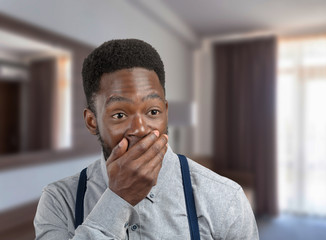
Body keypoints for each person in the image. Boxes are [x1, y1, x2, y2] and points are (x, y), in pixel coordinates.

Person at [34, 39, 259, 239]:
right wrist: (117, 199)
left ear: (166, 111)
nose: (141, 130)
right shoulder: (58, 201)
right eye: (120, 115)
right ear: (92, 122)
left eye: (152, 111)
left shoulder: (226, 199)